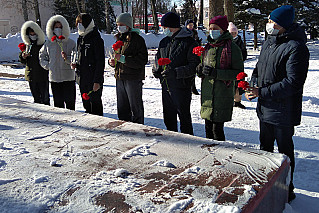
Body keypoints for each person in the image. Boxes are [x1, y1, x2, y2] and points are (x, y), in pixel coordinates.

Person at [245, 5, 309, 203]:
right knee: (265, 149)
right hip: (265, 108)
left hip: (283, 111)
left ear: (283, 25)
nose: (269, 24)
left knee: (284, 154)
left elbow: (293, 83)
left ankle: (286, 190)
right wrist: (252, 84)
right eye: (269, 20)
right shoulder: (270, 42)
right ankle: (266, 187)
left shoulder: (296, 48)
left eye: (273, 21)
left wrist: (261, 92)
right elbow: (259, 67)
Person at [153, 12, 200, 135]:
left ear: (171, 26)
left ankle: (188, 141)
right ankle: (172, 140)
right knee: (168, 117)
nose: (163, 30)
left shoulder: (189, 43)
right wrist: (156, 69)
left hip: (182, 86)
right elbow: (158, 58)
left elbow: (194, 66)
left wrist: (175, 73)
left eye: (164, 27)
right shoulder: (164, 42)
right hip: (166, 85)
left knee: (184, 118)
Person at [198, 15, 244, 141]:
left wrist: (216, 73)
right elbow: (205, 66)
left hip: (222, 93)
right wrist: (200, 70)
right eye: (210, 28)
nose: (212, 31)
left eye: (215, 28)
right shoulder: (208, 47)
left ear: (223, 30)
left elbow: (238, 73)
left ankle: (219, 157)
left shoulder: (232, 48)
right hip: (207, 94)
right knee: (208, 130)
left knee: (217, 131)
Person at [108, 13, 148, 124]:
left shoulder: (137, 40)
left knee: (135, 106)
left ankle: (138, 127)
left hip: (133, 78)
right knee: (122, 107)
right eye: (117, 25)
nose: (119, 27)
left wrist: (124, 59)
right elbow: (116, 57)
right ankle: (124, 126)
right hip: (120, 77)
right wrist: (112, 62)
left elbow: (142, 60)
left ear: (128, 25)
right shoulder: (119, 39)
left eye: (121, 24)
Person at [39, 15, 76, 110]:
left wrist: (67, 58)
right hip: (54, 78)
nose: (58, 29)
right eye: (56, 27)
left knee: (70, 103)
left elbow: (75, 58)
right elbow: (42, 56)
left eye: (60, 27)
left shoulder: (70, 43)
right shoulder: (48, 43)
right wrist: (48, 66)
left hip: (68, 77)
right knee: (58, 104)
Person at [71, 13, 105, 116]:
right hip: (82, 78)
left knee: (95, 105)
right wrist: (76, 64)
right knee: (86, 104)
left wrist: (97, 81)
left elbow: (100, 61)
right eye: (78, 23)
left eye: (81, 23)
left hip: (93, 78)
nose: (79, 25)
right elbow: (80, 56)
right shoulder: (80, 38)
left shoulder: (96, 38)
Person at [19, 21, 49, 105]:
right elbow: (22, 60)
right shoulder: (27, 45)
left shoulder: (43, 44)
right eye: (30, 34)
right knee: (36, 98)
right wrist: (23, 56)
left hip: (42, 74)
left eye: (34, 33)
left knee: (45, 98)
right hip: (31, 75)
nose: (32, 35)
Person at [228, 22, 248, 109]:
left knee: (239, 84)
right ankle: (230, 100)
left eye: (234, 33)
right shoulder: (227, 41)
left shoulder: (240, 41)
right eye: (231, 33)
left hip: (239, 66)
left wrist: (242, 58)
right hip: (229, 66)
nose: (233, 34)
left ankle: (238, 101)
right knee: (230, 84)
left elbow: (244, 52)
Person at [185, 19, 201, 95]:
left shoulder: (195, 32)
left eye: (192, 25)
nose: (191, 26)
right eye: (190, 25)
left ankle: (193, 86)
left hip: (195, 52)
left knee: (193, 69)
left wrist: (198, 43)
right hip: (187, 53)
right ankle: (190, 86)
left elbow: (196, 40)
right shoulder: (184, 32)